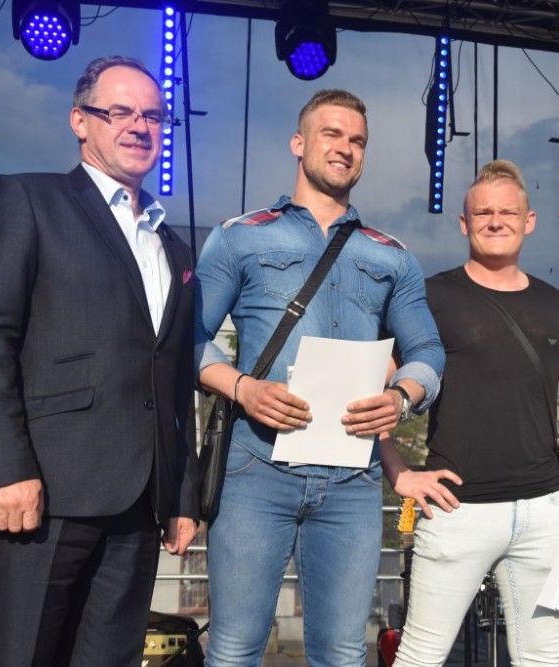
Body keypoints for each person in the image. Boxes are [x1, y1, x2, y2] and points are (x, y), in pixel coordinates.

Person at [0, 56, 198, 666]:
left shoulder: (172, 245)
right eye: (120, 112)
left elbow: (173, 378)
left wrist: (181, 493)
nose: (140, 126)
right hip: (42, 493)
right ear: (80, 121)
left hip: (139, 505)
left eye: (153, 115)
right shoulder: (26, 199)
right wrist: (3, 470)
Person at [194, 89, 444, 667]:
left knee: (342, 653)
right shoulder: (239, 236)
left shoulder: (393, 256)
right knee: (233, 650)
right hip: (255, 470)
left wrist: (401, 396)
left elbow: (428, 351)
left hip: (352, 480)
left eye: (357, 140)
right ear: (298, 143)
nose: (345, 148)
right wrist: (242, 387)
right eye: (332, 134)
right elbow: (185, 339)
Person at [389, 160, 559, 666]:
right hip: (455, 510)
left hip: (544, 512)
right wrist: (399, 473)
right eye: (483, 213)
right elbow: (374, 392)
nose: (495, 221)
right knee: (420, 657)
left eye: (507, 212)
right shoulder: (428, 298)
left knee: (541, 658)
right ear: (464, 223)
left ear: (529, 221)